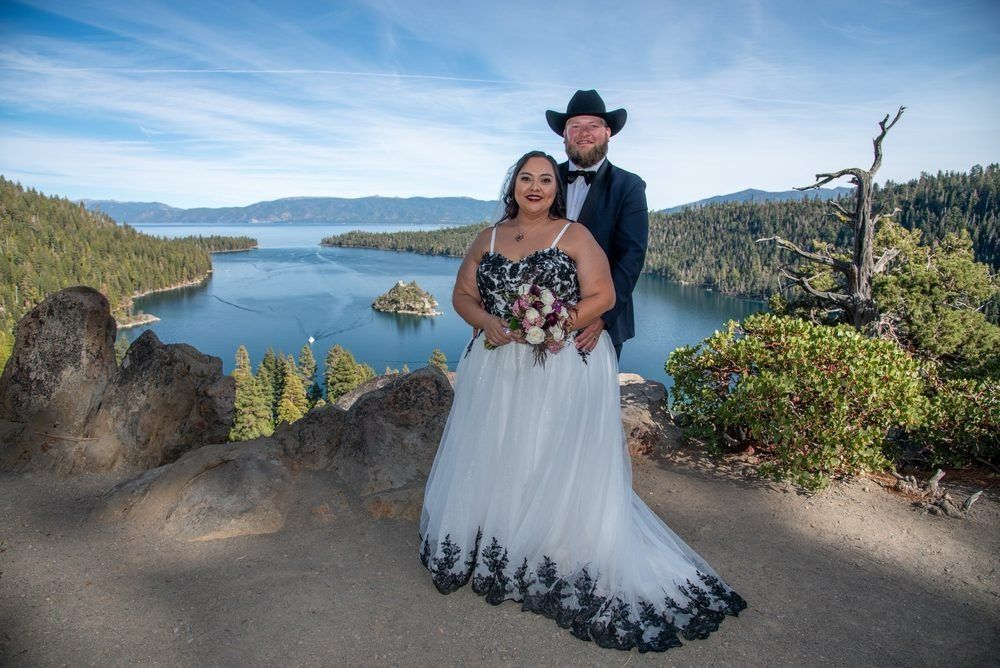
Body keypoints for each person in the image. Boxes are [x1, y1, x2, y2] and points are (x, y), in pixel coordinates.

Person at [418, 150, 745, 653]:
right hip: (495, 365)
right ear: (513, 186)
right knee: (499, 448)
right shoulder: (486, 238)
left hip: (559, 366)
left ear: (556, 189)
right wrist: (486, 321)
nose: (535, 187)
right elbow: (463, 294)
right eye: (526, 178)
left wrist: (552, 324)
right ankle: (500, 533)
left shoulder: (575, 235)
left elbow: (604, 296)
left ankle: (548, 543)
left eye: (545, 179)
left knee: (549, 449)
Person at [546, 89, 648, 360]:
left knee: (591, 401)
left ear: (608, 133)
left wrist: (602, 316)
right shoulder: (544, 179)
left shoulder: (629, 186)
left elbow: (631, 258)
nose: (584, 133)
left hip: (599, 327)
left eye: (593, 125)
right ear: (564, 135)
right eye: (575, 126)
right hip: (540, 317)